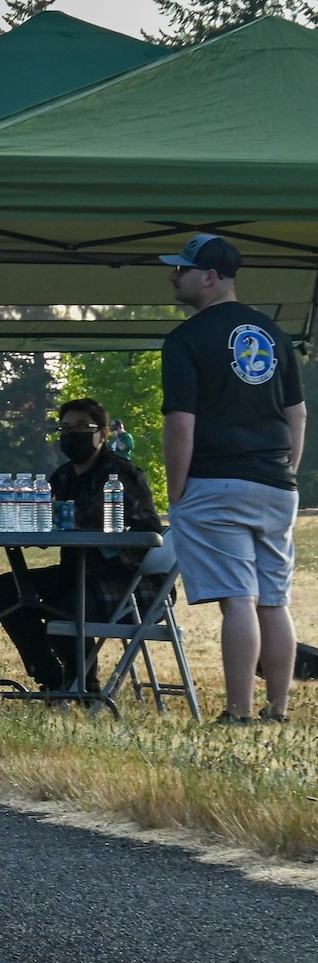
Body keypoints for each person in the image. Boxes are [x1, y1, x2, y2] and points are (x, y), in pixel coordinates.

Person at [160, 234, 308, 723]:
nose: (173, 275)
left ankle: (240, 712)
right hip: (275, 484)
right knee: (273, 599)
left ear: (210, 277)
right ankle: (278, 709)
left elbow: (182, 422)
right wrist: (287, 469)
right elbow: (297, 413)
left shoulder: (186, 339)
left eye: (182, 269)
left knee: (238, 599)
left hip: (217, 481)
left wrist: (176, 490)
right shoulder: (274, 334)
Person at [0, 398, 160, 694]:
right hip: (75, 573)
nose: (74, 434)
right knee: (7, 590)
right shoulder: (61, 477)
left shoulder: (122, 475)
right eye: (66, 428)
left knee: (65, 606)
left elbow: (148, 534)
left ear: (104, 434)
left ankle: (85, 686)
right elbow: (44, 523)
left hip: (129, 584)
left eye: (84, 427)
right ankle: (51, 678)